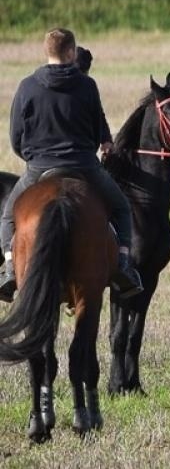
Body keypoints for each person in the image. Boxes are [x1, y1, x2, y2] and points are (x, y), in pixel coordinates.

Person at [1, 28, 142, 303]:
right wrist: (102, 142)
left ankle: (8, 269)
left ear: (47, 52)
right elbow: (96, 127)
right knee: (122, 208)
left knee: (8, 216)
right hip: (83, 166)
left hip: (39, 167)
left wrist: (33, 157)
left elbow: (16, 137)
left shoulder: (27, 86)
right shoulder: (87, 86)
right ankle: (123, 268)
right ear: (70, 53)